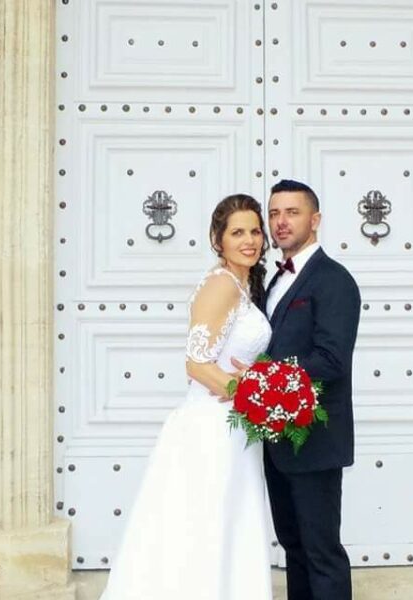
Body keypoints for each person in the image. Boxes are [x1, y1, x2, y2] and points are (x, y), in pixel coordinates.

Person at [99, 194, 273, 600]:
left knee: (226, 524)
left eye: (254, 230)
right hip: (211, 426)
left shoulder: (243, 285)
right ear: (218, 239)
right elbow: (196, 365)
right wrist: (254, 396)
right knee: (202, 526)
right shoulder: (220, 285)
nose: (249, 240)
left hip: (233, 429)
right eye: (237, 232)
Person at [257, 179, 361, 600]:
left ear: (315, 220)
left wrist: (264, 380)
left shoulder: (333, 280)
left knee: (321, 553)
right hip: (277, 440)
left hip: (315, 440)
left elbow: (331, 360)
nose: (281, 222)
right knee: (294, 548)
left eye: (292, 212)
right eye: (275, 213)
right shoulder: (273, 279)